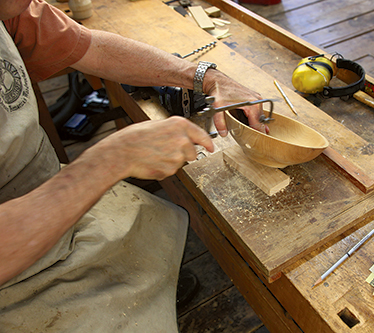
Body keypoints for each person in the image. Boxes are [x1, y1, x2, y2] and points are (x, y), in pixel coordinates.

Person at [0, 0, 264, 331]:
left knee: (153, 236)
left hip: (45, 192)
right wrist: (109, 160)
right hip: (11, 273)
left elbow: (91, 47)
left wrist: (205, 77)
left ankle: (151, 287)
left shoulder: (10, 11)